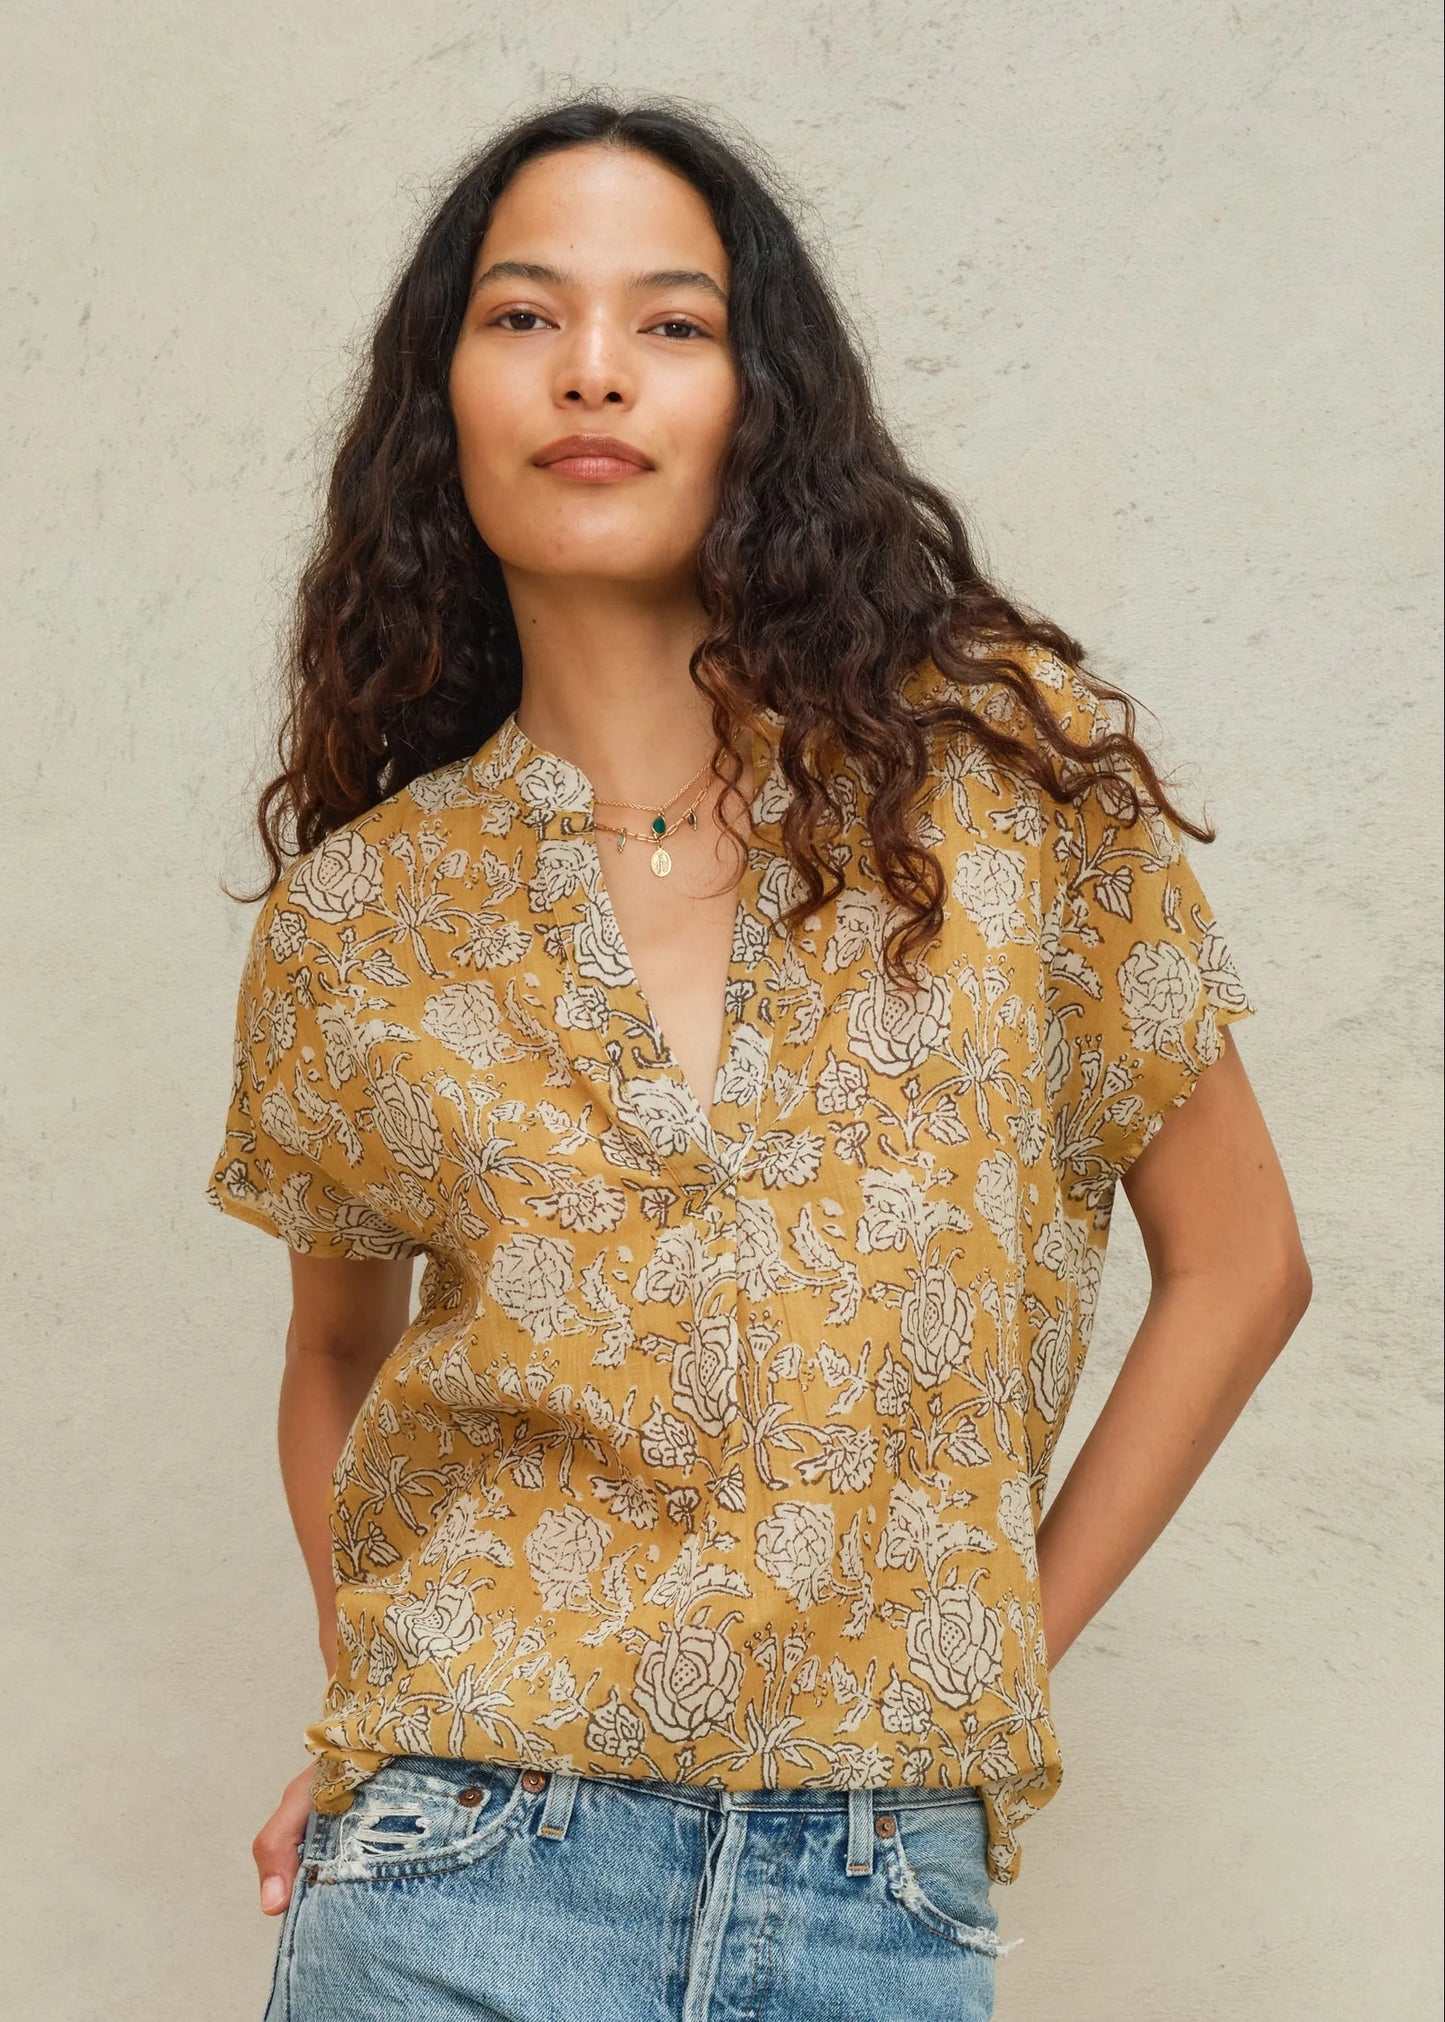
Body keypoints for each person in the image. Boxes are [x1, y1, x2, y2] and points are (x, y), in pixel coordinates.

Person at [208, 93, 1312, 2022]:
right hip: (454, 1871)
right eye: (524, 315)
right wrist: (384, 1704)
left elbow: (1241, 1264)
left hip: (873, 1891)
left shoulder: (995, 779)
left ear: (757, 398)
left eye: (673, 322)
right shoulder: (361, 921)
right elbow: (330, 1355)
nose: (594, 372)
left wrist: (985, 1663)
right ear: (437, 402)